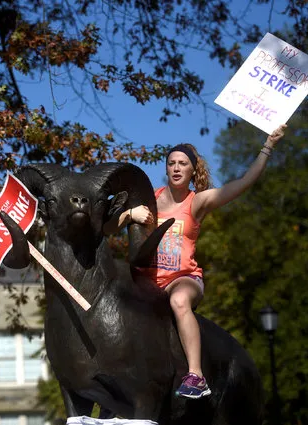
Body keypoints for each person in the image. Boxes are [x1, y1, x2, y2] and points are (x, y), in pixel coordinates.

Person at [104, 124, 287, 399]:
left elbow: (244, 182)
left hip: (183, 279)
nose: (176, 168)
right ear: (166, 169)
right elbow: (107, 230)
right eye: (172, 163)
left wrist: (268, 146)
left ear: (192, 171)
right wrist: (129, 214)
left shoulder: (197, 202)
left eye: (183, 164)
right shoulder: (149, 199)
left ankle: (196, 376)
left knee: (179, 301)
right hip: (148, 282)